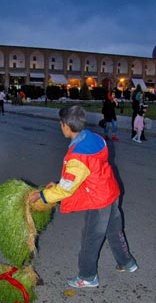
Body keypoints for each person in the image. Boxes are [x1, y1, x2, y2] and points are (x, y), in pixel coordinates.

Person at [28, 105, 137, 288]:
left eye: (60, 124)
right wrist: (58, 183)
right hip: (111, 191)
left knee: (90, 238)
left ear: (66, 126)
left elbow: (67, 188)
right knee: (114, 230)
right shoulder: (96, 138)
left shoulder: (77, 156)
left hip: (98, 200)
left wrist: (41, 195)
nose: (61, 127)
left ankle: (87, 276)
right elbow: (88, 173)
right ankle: (127, 263)